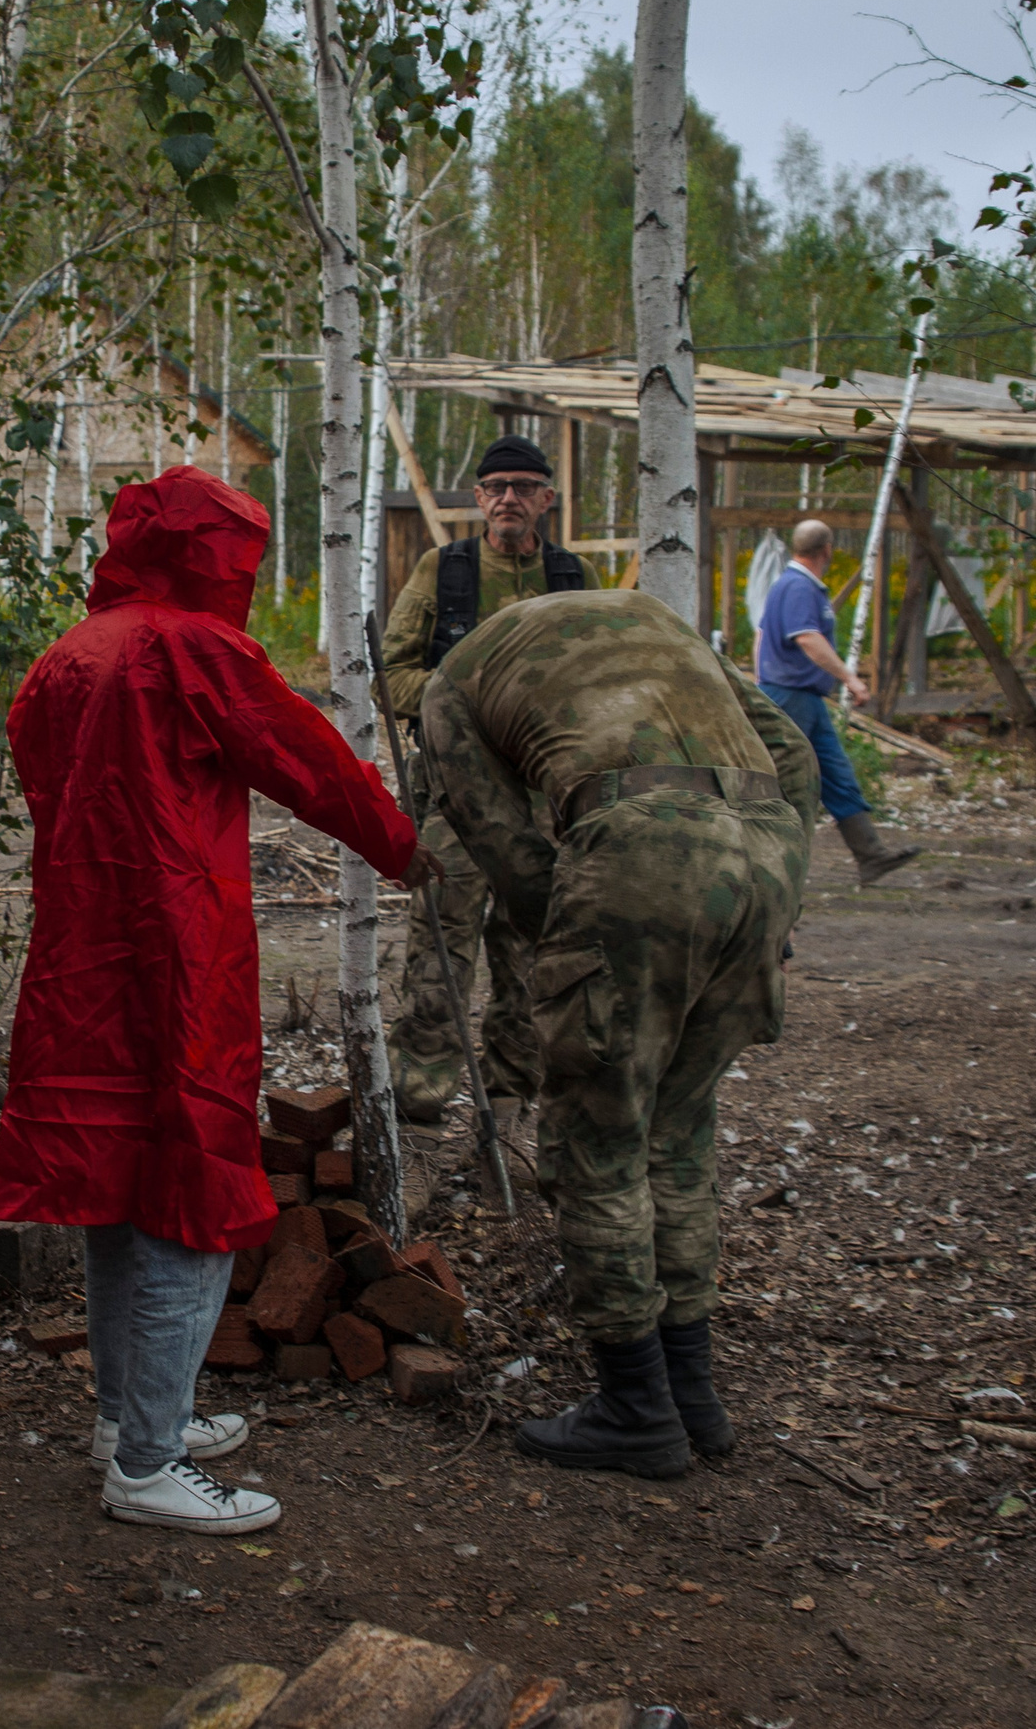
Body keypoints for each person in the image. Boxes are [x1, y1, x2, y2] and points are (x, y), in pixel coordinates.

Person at [0, 467, 432, 1534]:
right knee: (191, 1193)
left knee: (113, 1189)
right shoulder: (194, 650)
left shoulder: (61, 661)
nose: (240, 576)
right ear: (208, 554)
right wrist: (412, 848)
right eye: (237, 556)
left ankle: (128, 1418)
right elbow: (310, 762)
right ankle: (145, 1460)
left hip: (79, 970)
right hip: (179, 962)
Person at [420, 589, 819, 1479]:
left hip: (640, 847)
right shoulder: (660, 627)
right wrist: (783, 889)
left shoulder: (451, 683)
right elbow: (789, 749)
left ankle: (634, 1407)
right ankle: (693, 1397)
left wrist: (564, 939)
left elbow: (493, 833)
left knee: (597, 1138)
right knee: (678, 1134)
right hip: (766, 847)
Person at [380, 434, 597, 1214]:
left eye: (523, 486)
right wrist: (461, 698)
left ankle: (506, 1129)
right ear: (479, 499)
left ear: (546, 499)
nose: (508, 498)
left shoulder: (574, 578)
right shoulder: (448, 572)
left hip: (546, 804)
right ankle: (420, 1123)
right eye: (495, 486)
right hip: (458, 803)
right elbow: (392, 669)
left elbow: (605, 683)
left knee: (532, 962)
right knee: (438, 947)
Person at [755, 518, 920, 885]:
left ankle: (871, 855)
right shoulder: (798, 587)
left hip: (802, 697)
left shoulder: (790, 585)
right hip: (790, 696)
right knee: (781, 780)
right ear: (827, 550)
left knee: (836, 773)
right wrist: (850, 678)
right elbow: (808, 639)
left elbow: (761, 635)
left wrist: (761, 676)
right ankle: (764, 861)